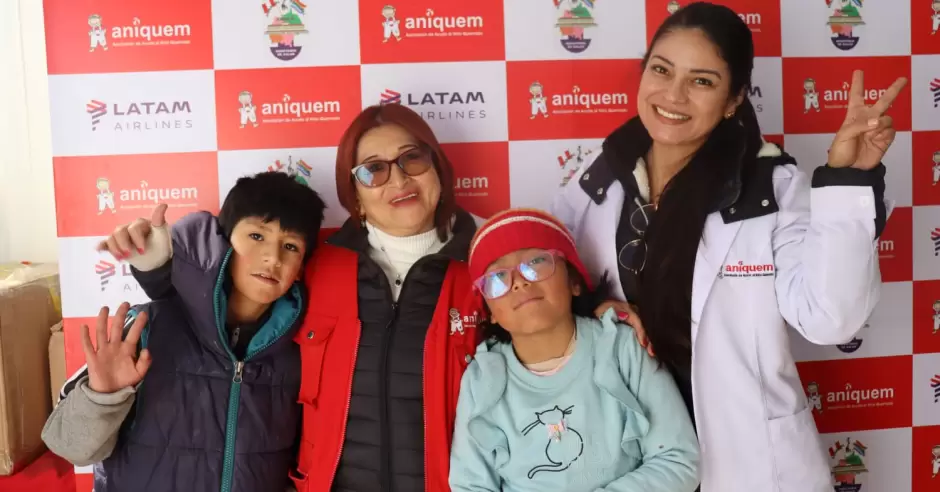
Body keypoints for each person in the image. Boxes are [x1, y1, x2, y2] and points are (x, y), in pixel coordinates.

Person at [548, 3, 906, 490]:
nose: (673, 95)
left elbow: (830, 319)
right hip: (632, 460)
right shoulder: (599, 176)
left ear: (735, 98)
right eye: (661, 70)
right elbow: (553, 286)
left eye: (702, 81)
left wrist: (849, 179)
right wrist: (596, 308)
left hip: (746, 463)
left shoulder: (770, 189)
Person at [97, 104, 481, 492]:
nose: (398, 178)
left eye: (412, 158)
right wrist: (155, 261)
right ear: (356, 198)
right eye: (373, 169)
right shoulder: (318, 268)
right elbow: (208, 302)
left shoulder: (488, 269)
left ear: (438, 170)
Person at [41, 171, 327, 492]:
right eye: (257, 236)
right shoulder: (148, 327)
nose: (273, 258)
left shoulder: (302, 352)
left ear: (301, 267)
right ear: (226, 243)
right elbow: (69, 447)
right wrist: (102, 398)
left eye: (290, 246)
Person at [448, 208, 700, 492]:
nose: (519, 281)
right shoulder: (482, 379)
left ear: (574, 281)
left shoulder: (621, 348)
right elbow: (470, 485)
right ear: (490, 311)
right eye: (497, 278)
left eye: (537, 262)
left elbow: (679, 459)